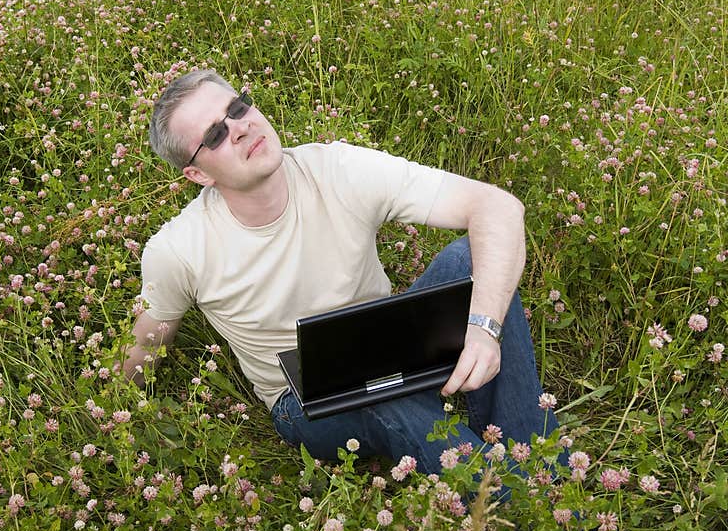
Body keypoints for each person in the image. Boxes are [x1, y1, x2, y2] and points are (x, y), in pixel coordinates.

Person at [121, 68, 562, 492]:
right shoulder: (179, 250)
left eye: (237, 107)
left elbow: (498, 208)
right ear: (198, 175)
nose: (238, 127)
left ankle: (538, 463)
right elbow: (145, 346)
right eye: (214, 135)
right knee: (383, 398)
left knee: (472, 257)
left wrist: (484, 327)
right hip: (305, 401)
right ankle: (525, 507)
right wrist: (116, 416)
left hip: (395, 345)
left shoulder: (337, 168)